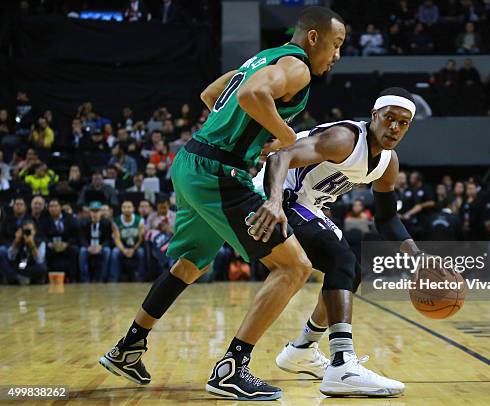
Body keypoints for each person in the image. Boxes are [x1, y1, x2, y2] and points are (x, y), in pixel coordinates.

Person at [99, 7, 346, 401]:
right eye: (335, 45)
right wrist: (285, 136)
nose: (336, 55)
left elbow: (213, 95)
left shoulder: (260, 58)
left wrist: (249, 133)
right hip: (219, 171)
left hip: (192, 161)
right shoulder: (296, 66)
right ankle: (232, 368)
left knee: (190, 264)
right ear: (313, 38)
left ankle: (128, 347)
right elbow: (251, 95)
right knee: (294, 267)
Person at [255, 88, 446, 396]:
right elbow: (281, 156)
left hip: (308, 204)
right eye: (389, 119)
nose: (395, 127)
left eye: (403, 123)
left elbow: (386, 219)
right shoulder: (345, 138)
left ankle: (302, 350)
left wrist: (418, 257)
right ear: (374, 116)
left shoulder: (387, 164)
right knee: (341, 260)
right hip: (274, 195)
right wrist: (274, 201)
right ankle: (342, 363)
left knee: (350, 270)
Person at [2, 220, 46, 285]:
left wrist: (32, 245)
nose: (27, 233)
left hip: (32, 265)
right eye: (25, 231)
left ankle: (18, 278)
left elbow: (39, 260)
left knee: (42, 268)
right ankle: (18, 277)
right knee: (3, 258)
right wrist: (16, 242)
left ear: (34, 231)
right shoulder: (19, 239)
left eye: (29, 231)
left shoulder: (40, 242)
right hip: (20, 265)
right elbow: (11, 257)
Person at [110, 200, 145, 282]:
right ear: (121, 209)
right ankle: (114, 278)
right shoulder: (116, 221)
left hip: (135, 246)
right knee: (115, 252)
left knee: (141, 252)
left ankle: (140, 277)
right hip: (123, 246)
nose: (126, 209)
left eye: (129, 207)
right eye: (124, 207)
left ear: (133, 209)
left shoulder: (139, 220)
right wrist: (124, 250)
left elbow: (141, 239)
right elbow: (117, 239)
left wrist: (133, 249)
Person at [79, 201, 113, 282]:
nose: (95, 213)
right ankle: (85, 279)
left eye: (97, 211)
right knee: (82, 251)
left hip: (101, 246)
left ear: (101, 212)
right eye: (92, 211)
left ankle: (102, 278)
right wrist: (88, 247)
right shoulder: (84, 222)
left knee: (107, 251)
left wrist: (101, 246)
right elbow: (81, 238)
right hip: (89, 246)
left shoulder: (106, 223)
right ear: (89, 212)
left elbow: (108, 239)